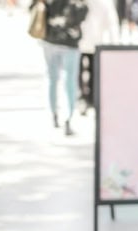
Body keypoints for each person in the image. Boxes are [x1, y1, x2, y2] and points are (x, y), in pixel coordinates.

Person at [32, 0, 89, 136]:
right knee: (69, 81)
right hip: (68, 41)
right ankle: (67, 117)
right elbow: (83, 11)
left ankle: (55, 114)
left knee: (53, 78)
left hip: (50, 39)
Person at [78, 0, 119, 115]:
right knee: (90, 70)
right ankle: (88, 98)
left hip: (84, 41)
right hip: (92, 41)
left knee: (83, 70)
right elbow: (111, 21)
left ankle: (85, 97)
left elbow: (111, 21)